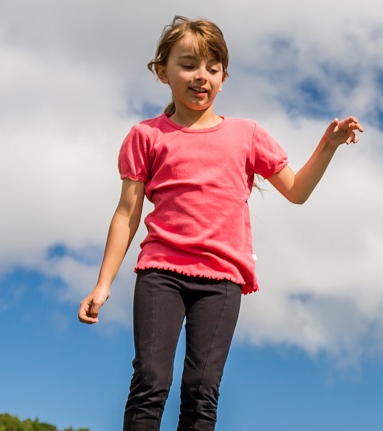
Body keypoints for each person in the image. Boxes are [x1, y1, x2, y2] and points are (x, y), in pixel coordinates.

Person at [77, 16, 363, 430]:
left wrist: (329, 144)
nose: (202, 77)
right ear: (163, 72)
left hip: (222, 279)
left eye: (213, 68)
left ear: (224, 78)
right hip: (161, 273)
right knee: (151, 381)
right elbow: (127, 213)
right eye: (189, 64)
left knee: (201, 387)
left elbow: (297, 190)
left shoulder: (247, 135)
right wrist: (103, 284)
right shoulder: (146, 136)